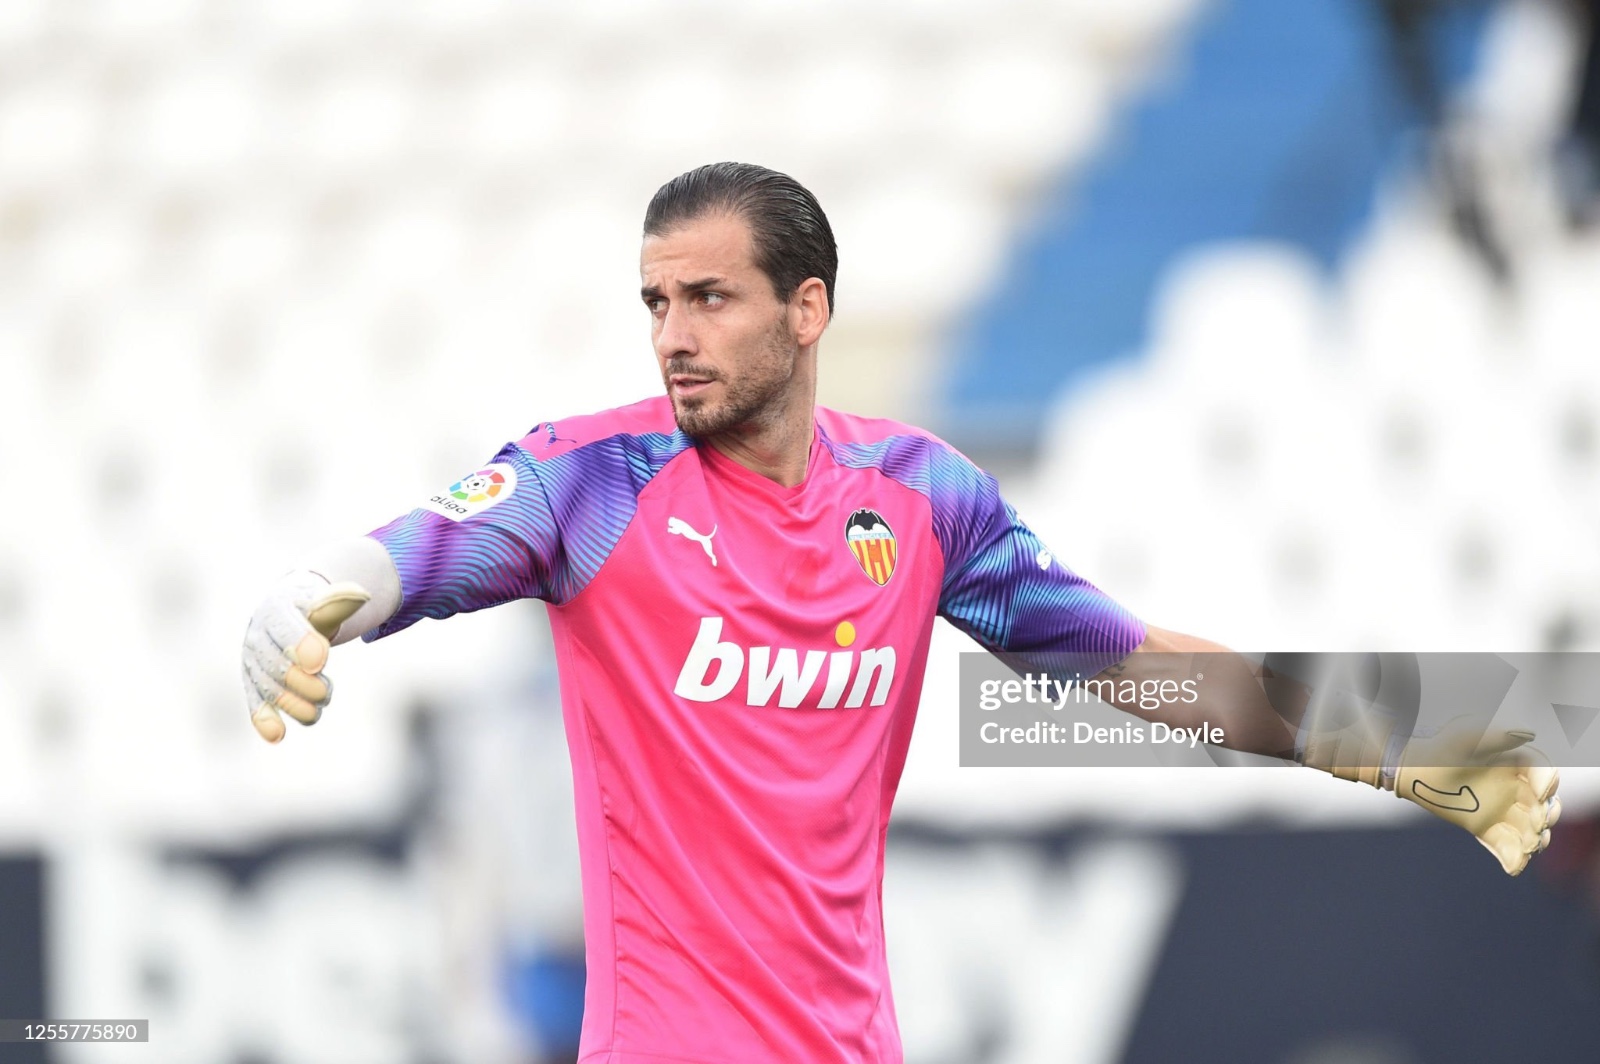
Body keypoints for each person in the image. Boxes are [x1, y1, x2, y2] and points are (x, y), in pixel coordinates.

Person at [241, 162, 1561, 1063]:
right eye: (656, 301)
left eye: (710, 297)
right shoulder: (593, 481)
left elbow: (1140, 668)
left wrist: (1393, 736)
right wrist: (319, 601)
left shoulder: (922, 498)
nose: (673, 335)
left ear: (807, 309)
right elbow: (433, 545)